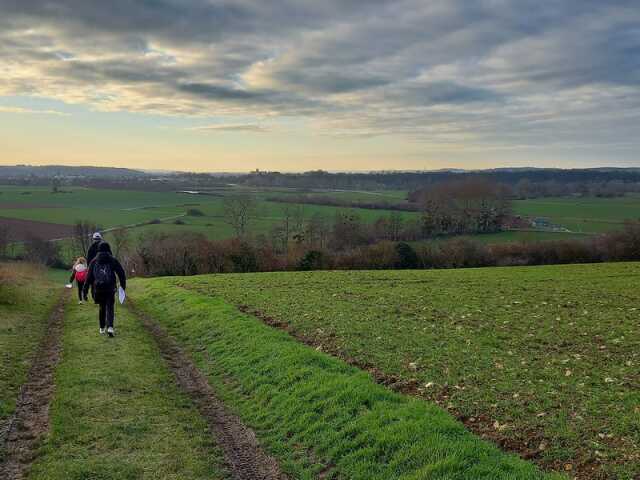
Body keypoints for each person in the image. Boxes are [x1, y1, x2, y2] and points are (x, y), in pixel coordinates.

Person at [83, 242, 126, 337]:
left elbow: (89, 277)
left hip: (98, 288)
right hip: (110, 287)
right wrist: (123, 286)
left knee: (102, 307)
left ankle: (102, 328)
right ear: (109, 249)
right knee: (110, 306)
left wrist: (85, 291)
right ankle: (110, 327)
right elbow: (121, 273)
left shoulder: (94, 261)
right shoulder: (112, 260)